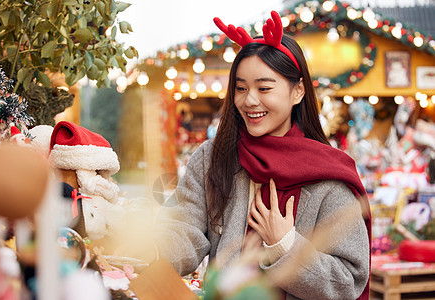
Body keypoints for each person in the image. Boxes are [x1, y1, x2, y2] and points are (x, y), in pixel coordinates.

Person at [152, 11, 371, 300]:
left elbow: (348, 282)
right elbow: (185, 231)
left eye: (264, 88)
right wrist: (145, 244)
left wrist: (284, 244)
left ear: (298, 92)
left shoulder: (330, 178)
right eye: (240, 88)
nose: (249, 100)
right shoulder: (212, 159)